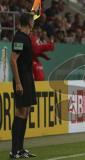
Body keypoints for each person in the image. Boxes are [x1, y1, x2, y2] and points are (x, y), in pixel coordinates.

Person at [10, 13, 37, 159]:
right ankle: (14, 151)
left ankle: (20, 149)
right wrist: (18, 82)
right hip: (21, 79)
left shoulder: (26, 37)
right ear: (28, 22)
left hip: (27, 78)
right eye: (32, 20)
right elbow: (13, 60)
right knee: (20, 112)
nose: (34, 22)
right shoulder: (20, 37)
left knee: (25, 112)